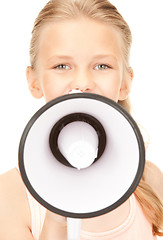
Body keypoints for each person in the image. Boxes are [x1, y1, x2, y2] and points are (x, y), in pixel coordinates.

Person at [0, 0, 163, 239]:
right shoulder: (10, 196)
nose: (82, 82)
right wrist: (57, 216)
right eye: (62, 65)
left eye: (102, 65)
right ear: (34, 81)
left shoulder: (150, 181)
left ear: (125, 83)